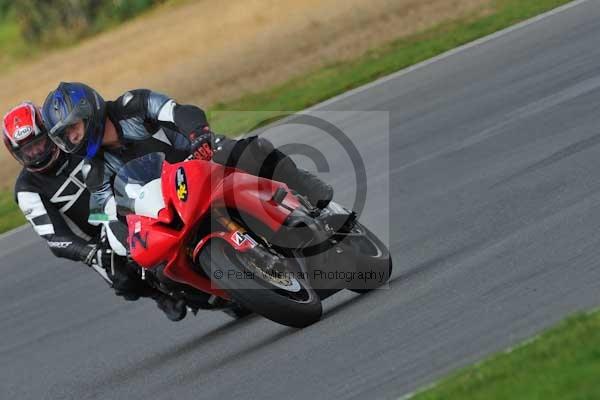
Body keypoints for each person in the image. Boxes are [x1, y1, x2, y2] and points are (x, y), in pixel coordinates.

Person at [40, 82, 333, 253]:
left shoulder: (134, 105)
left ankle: (304, 188)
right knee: (153, 263)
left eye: (74, 128)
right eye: (65, 136)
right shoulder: (94, 169)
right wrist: (126, 228)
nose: (73, 138)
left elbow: (179, 111)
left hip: (201, 158)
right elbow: (102, 213)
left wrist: (199, 135)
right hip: (169, 204)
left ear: (88, 113)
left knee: (249, 150)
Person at [3, 102, 187, 321]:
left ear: (49, 134)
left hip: (128, 197)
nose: (36, 153)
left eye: (39, 143)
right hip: (94, 236)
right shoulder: (27, 188)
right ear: (16, 154)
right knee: (120, 279)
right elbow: (54, 237)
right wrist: (88, 253)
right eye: (27, 150)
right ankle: (158, 295)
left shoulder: (73, 140)